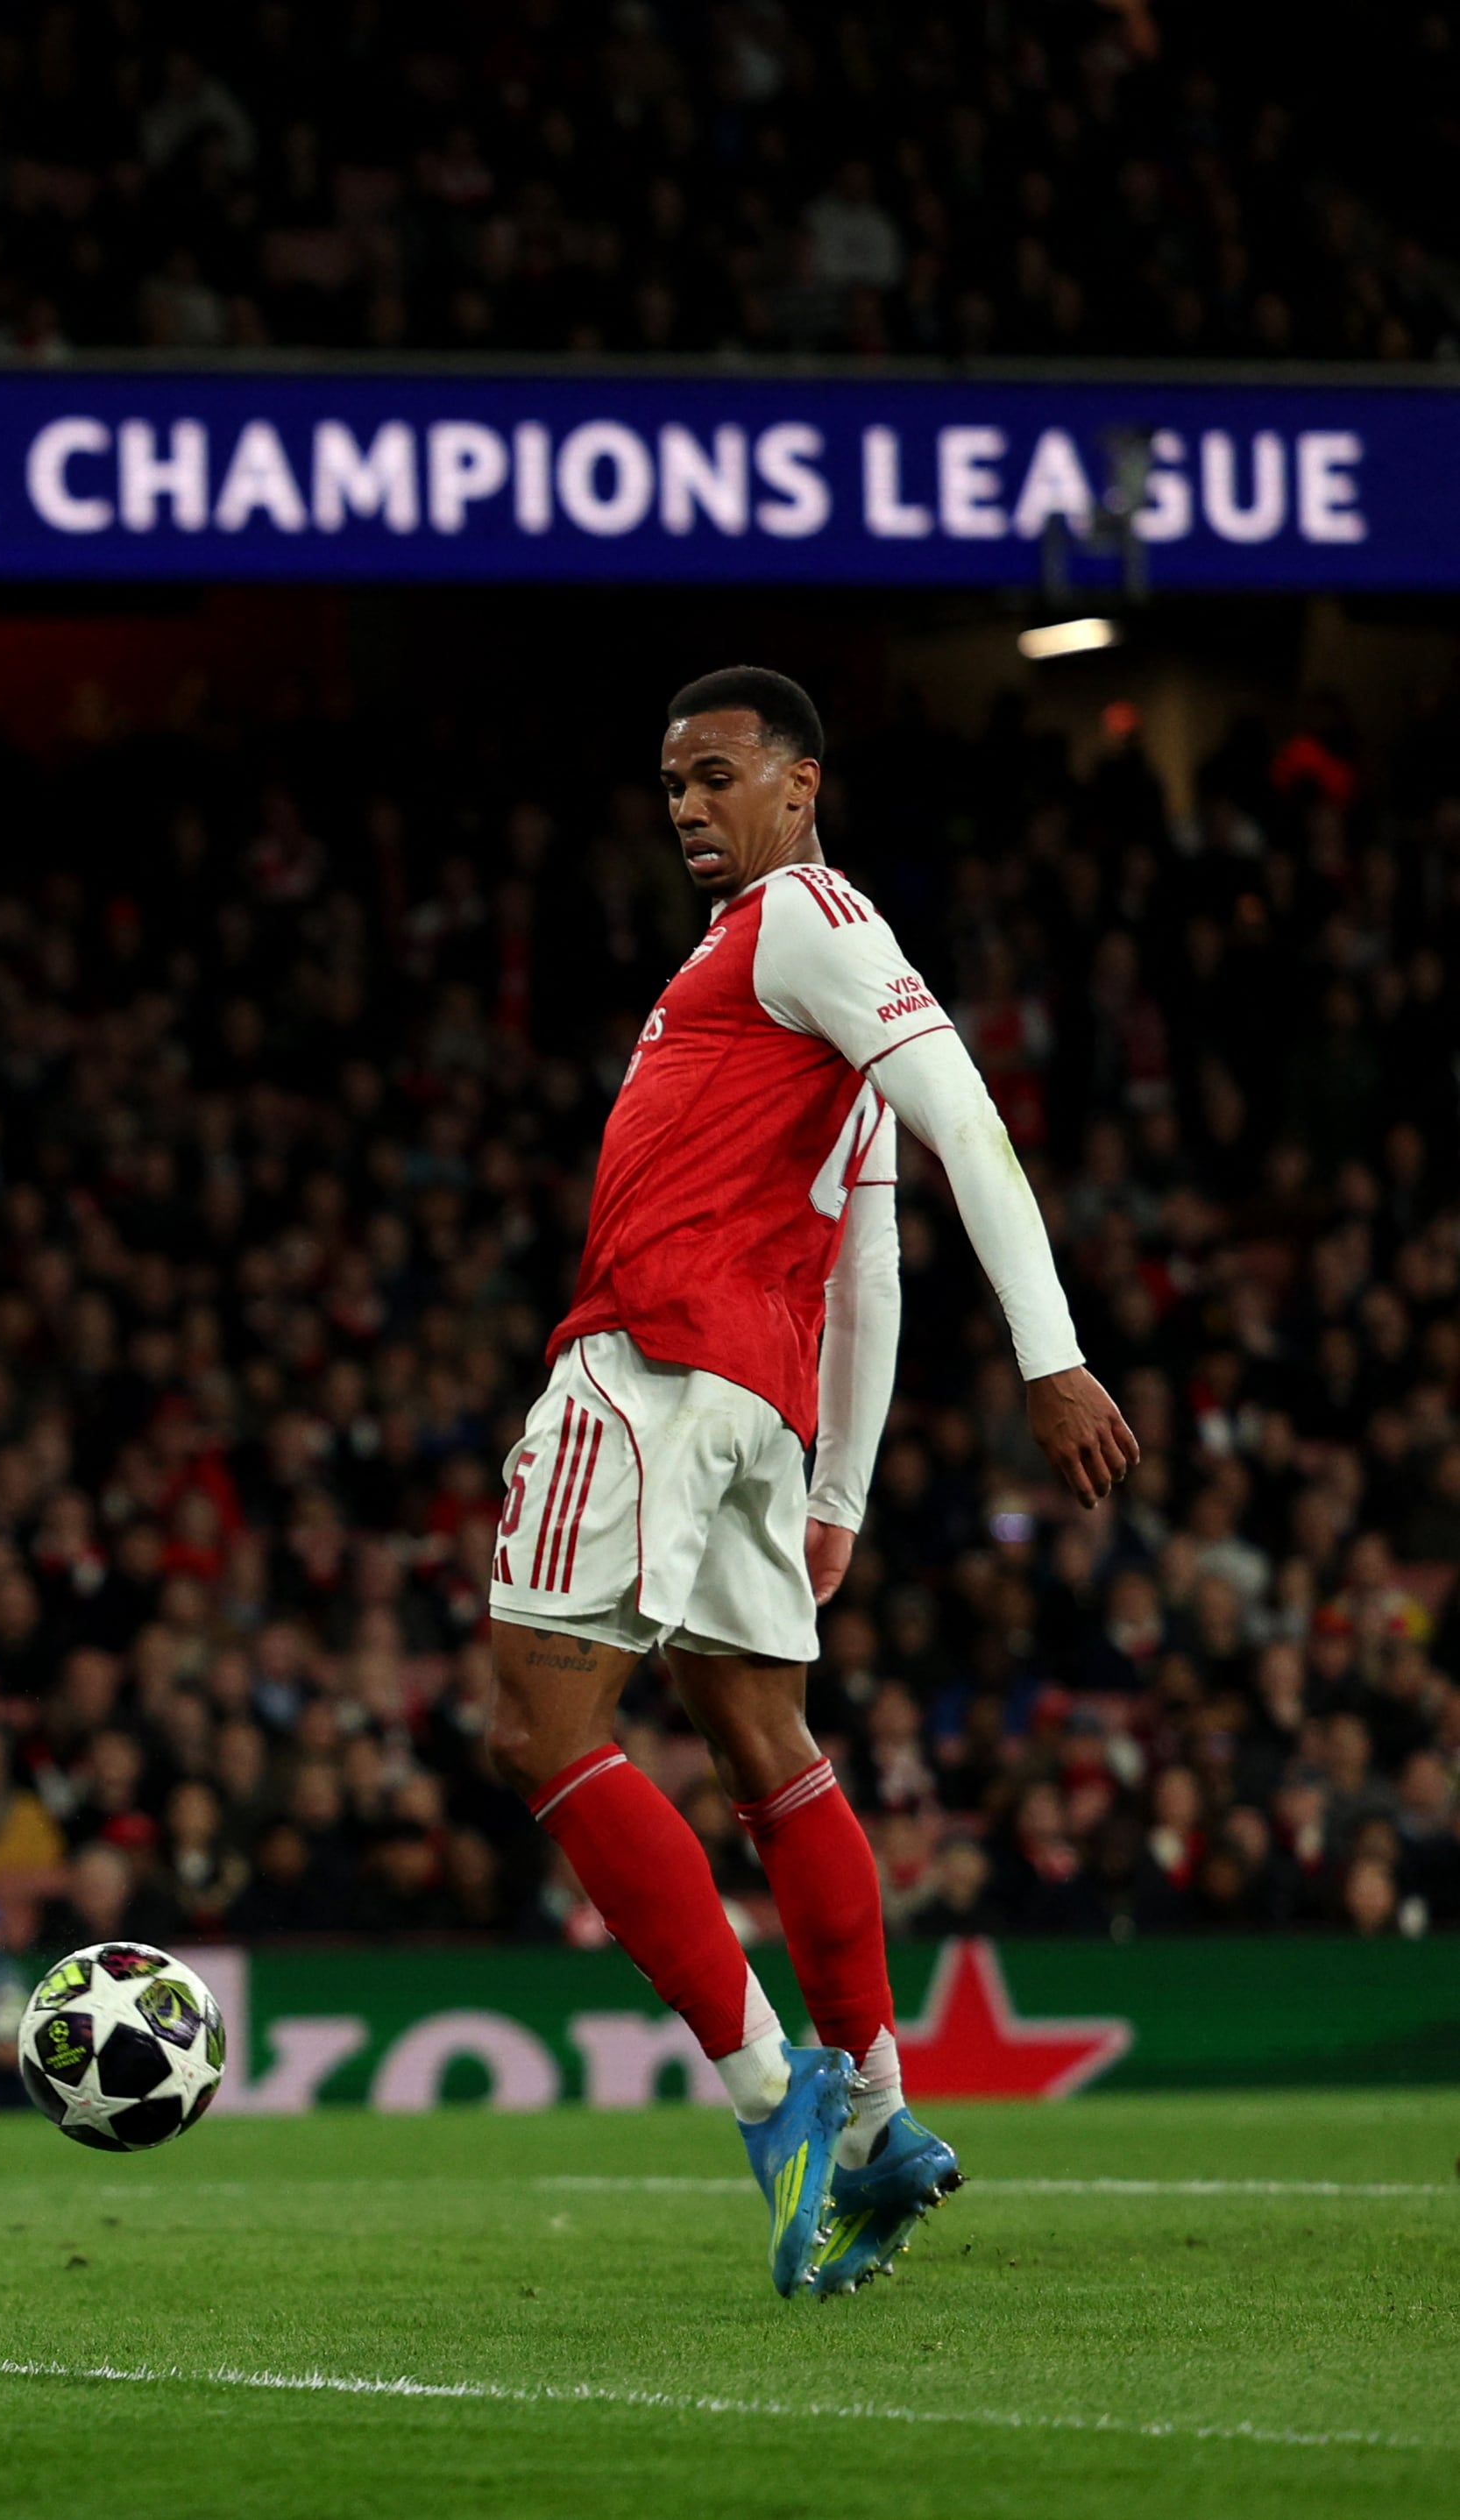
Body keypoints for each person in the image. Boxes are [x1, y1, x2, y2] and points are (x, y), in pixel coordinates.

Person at [481, 668, 1136, 2297]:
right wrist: (832, 1484)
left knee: (540, 1730)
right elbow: (868, 1260)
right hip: (758, 1412)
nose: (687, 806)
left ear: (798, 779)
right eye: (668, 783)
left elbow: (963, 1129)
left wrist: (1049, 1354)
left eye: (714, 774)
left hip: (645, 1367)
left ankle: (775, 2097)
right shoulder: (788, 979)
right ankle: (879, 2120)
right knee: (763, 1741)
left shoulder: (802, 922)